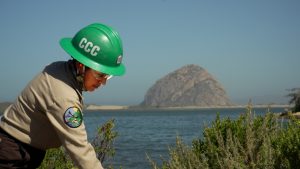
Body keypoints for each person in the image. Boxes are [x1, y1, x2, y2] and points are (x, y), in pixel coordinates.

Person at [0, 23, 125, 169]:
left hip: (15, 148)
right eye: (100, 75)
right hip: (12, 156)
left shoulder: (59, 69)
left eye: (107, 76)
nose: (103, 82)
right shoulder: (64, 98)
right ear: (81, 66)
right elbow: (81, 152)